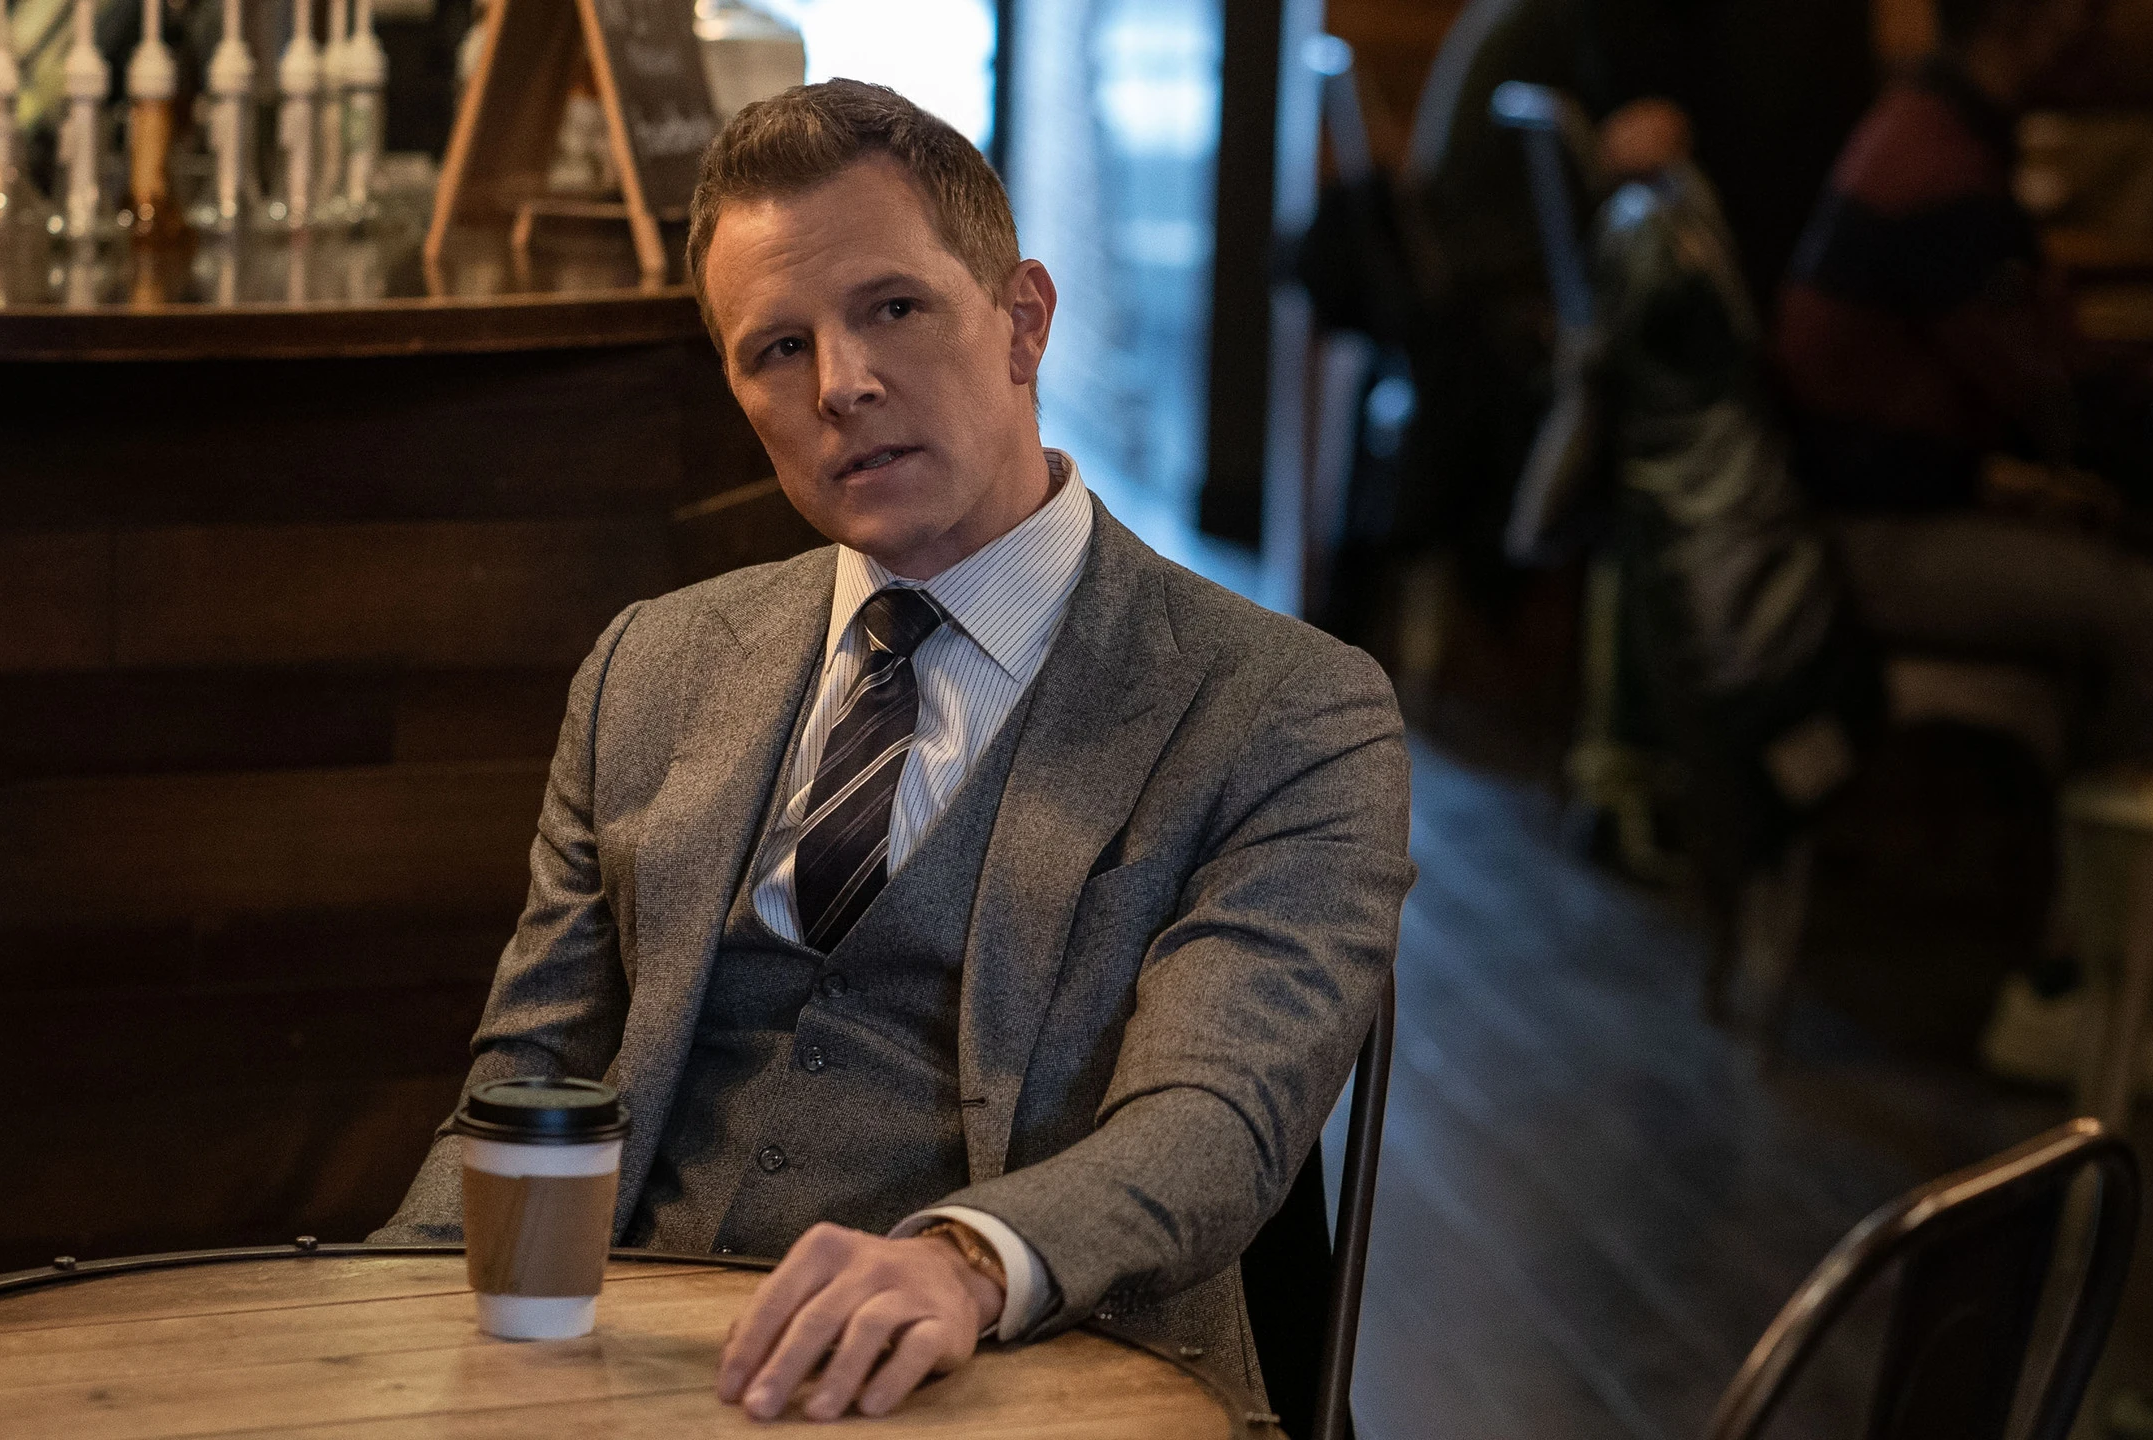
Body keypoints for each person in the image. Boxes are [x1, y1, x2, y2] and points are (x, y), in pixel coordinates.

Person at [371, 80, 1414, 1423]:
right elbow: (522, 1093)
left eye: (894, 309)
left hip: (1037, 1374)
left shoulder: (1285, 709)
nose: (842, 385)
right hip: (626, 1373)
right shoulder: (651, 667)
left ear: (1023, 321)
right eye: (777, 348)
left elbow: (1214, 1123)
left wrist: (966, 1264)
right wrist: (376, 1336)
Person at [1773, 0, 2153, 1091]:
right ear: (2030, 21)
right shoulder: (1943, 172)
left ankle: (2098, 948)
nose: (2100, 28)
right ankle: (2084, 984)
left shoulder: (1926, 123)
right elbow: (2057, 404)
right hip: (1871, 541)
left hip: (1866, 514)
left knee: (2136, 568)